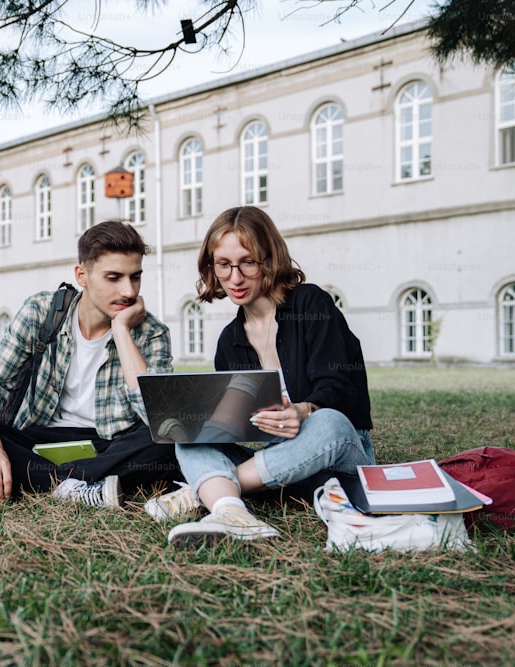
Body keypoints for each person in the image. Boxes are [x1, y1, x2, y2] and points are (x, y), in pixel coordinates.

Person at [147, 206, 375, 547]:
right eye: (224, 265)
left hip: (337, 454)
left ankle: (210, 492)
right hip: (280, 466)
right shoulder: (229, 340)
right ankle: (232, 513)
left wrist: (303, 410)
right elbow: (239, 424)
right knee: (187, 432)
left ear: (269, 259)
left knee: (329, 421)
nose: (235, 278)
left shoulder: (312, 303)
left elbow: (342, 390)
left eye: (248, 262)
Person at [0, 220, 179, 507]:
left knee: (169, 437)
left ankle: (40, 481)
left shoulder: (152, 333)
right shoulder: (40, 311)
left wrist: (123, 331)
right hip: (37, 441)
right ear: (82, 275)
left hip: (109, 445)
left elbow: (158, 419)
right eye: (113, 278)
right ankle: (84, 485)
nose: (128, 291)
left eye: (135, 277)